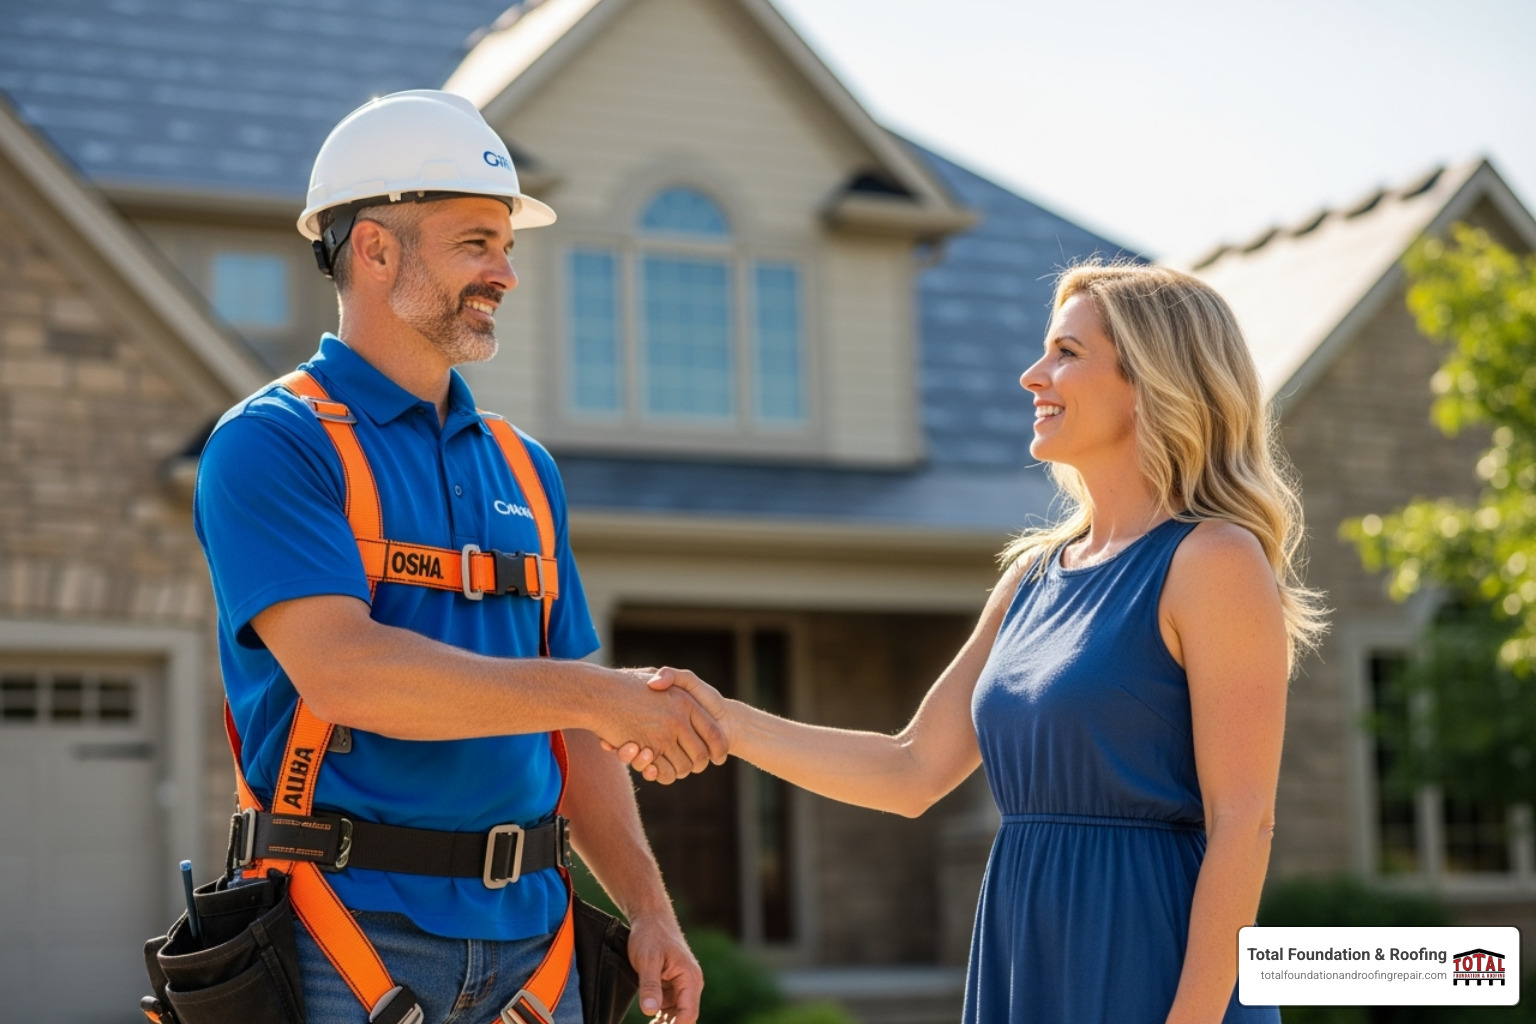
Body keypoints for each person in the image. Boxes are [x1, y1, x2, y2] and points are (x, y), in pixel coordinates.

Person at [620, 263, 1326, 1023]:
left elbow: (1243, 823)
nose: (1032, 375)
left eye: (1066, 352)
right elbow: (912, 767)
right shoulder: (1032, 576)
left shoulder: (1213, 559)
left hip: (1158, 962)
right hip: (1026, 953)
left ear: (1150, 381)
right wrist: (726, 722)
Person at [194, 90, 724, 1024]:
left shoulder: (525, 466)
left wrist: (647, 908)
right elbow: (348, 674)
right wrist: (592, 696)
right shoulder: (272, 445)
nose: (506, 273)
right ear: (375, 249)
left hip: (537, 948)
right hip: (343, 942)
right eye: (476, 242)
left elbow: (577, 731)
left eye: (507, 246)